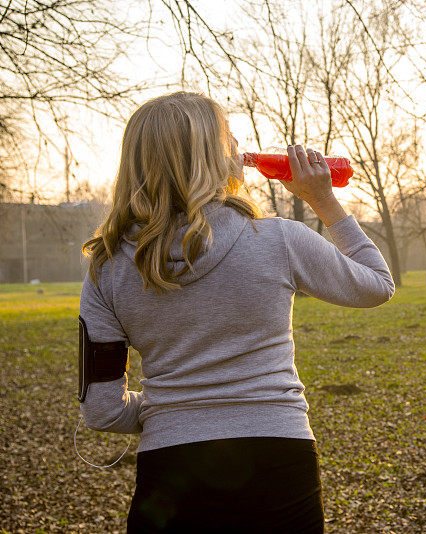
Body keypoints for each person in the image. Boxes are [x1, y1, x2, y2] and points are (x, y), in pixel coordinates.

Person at [78, 91, 395, 533]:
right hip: (280, 461)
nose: (238, 144)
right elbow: (378, 285)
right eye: (228, 135)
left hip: (170, 475)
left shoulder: (105, 268)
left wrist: (175, 409)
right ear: (215, 156)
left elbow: (103, 411)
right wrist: (324, 201)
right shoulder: (279, 239)